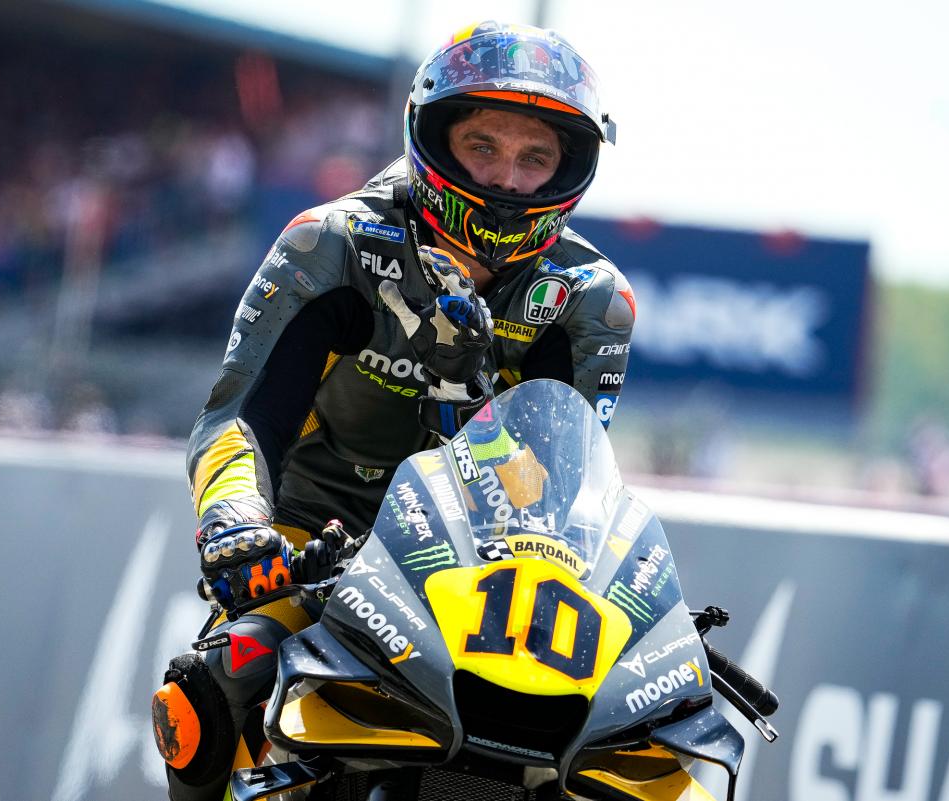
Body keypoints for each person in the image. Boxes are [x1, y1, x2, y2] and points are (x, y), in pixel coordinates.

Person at [151, 21, 636, 800]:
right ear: (433, 137)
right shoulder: (330, 244)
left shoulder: (591, 300)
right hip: (312, 544)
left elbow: (564, 494)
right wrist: (235, 523)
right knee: (211, 688)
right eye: (483, 146)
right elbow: (239, 418)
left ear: (569, 167)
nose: (507, 179)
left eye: (535, 157)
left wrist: (473, 397)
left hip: (483, 575)